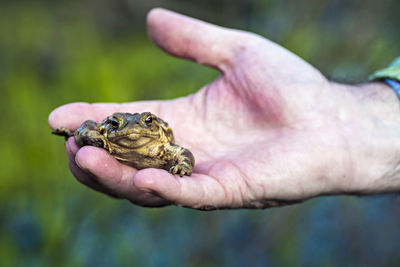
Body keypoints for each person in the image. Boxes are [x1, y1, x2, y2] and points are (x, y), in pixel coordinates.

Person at [48, 8, 400, 210]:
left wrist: (182, 167)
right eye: (119, 124)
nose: (131, 126)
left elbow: (180, 152)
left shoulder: (159, 142)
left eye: (145, 121)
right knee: (83, 135)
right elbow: (88, 128)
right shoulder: (106, 134)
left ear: (154, 127)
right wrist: (84, 134)